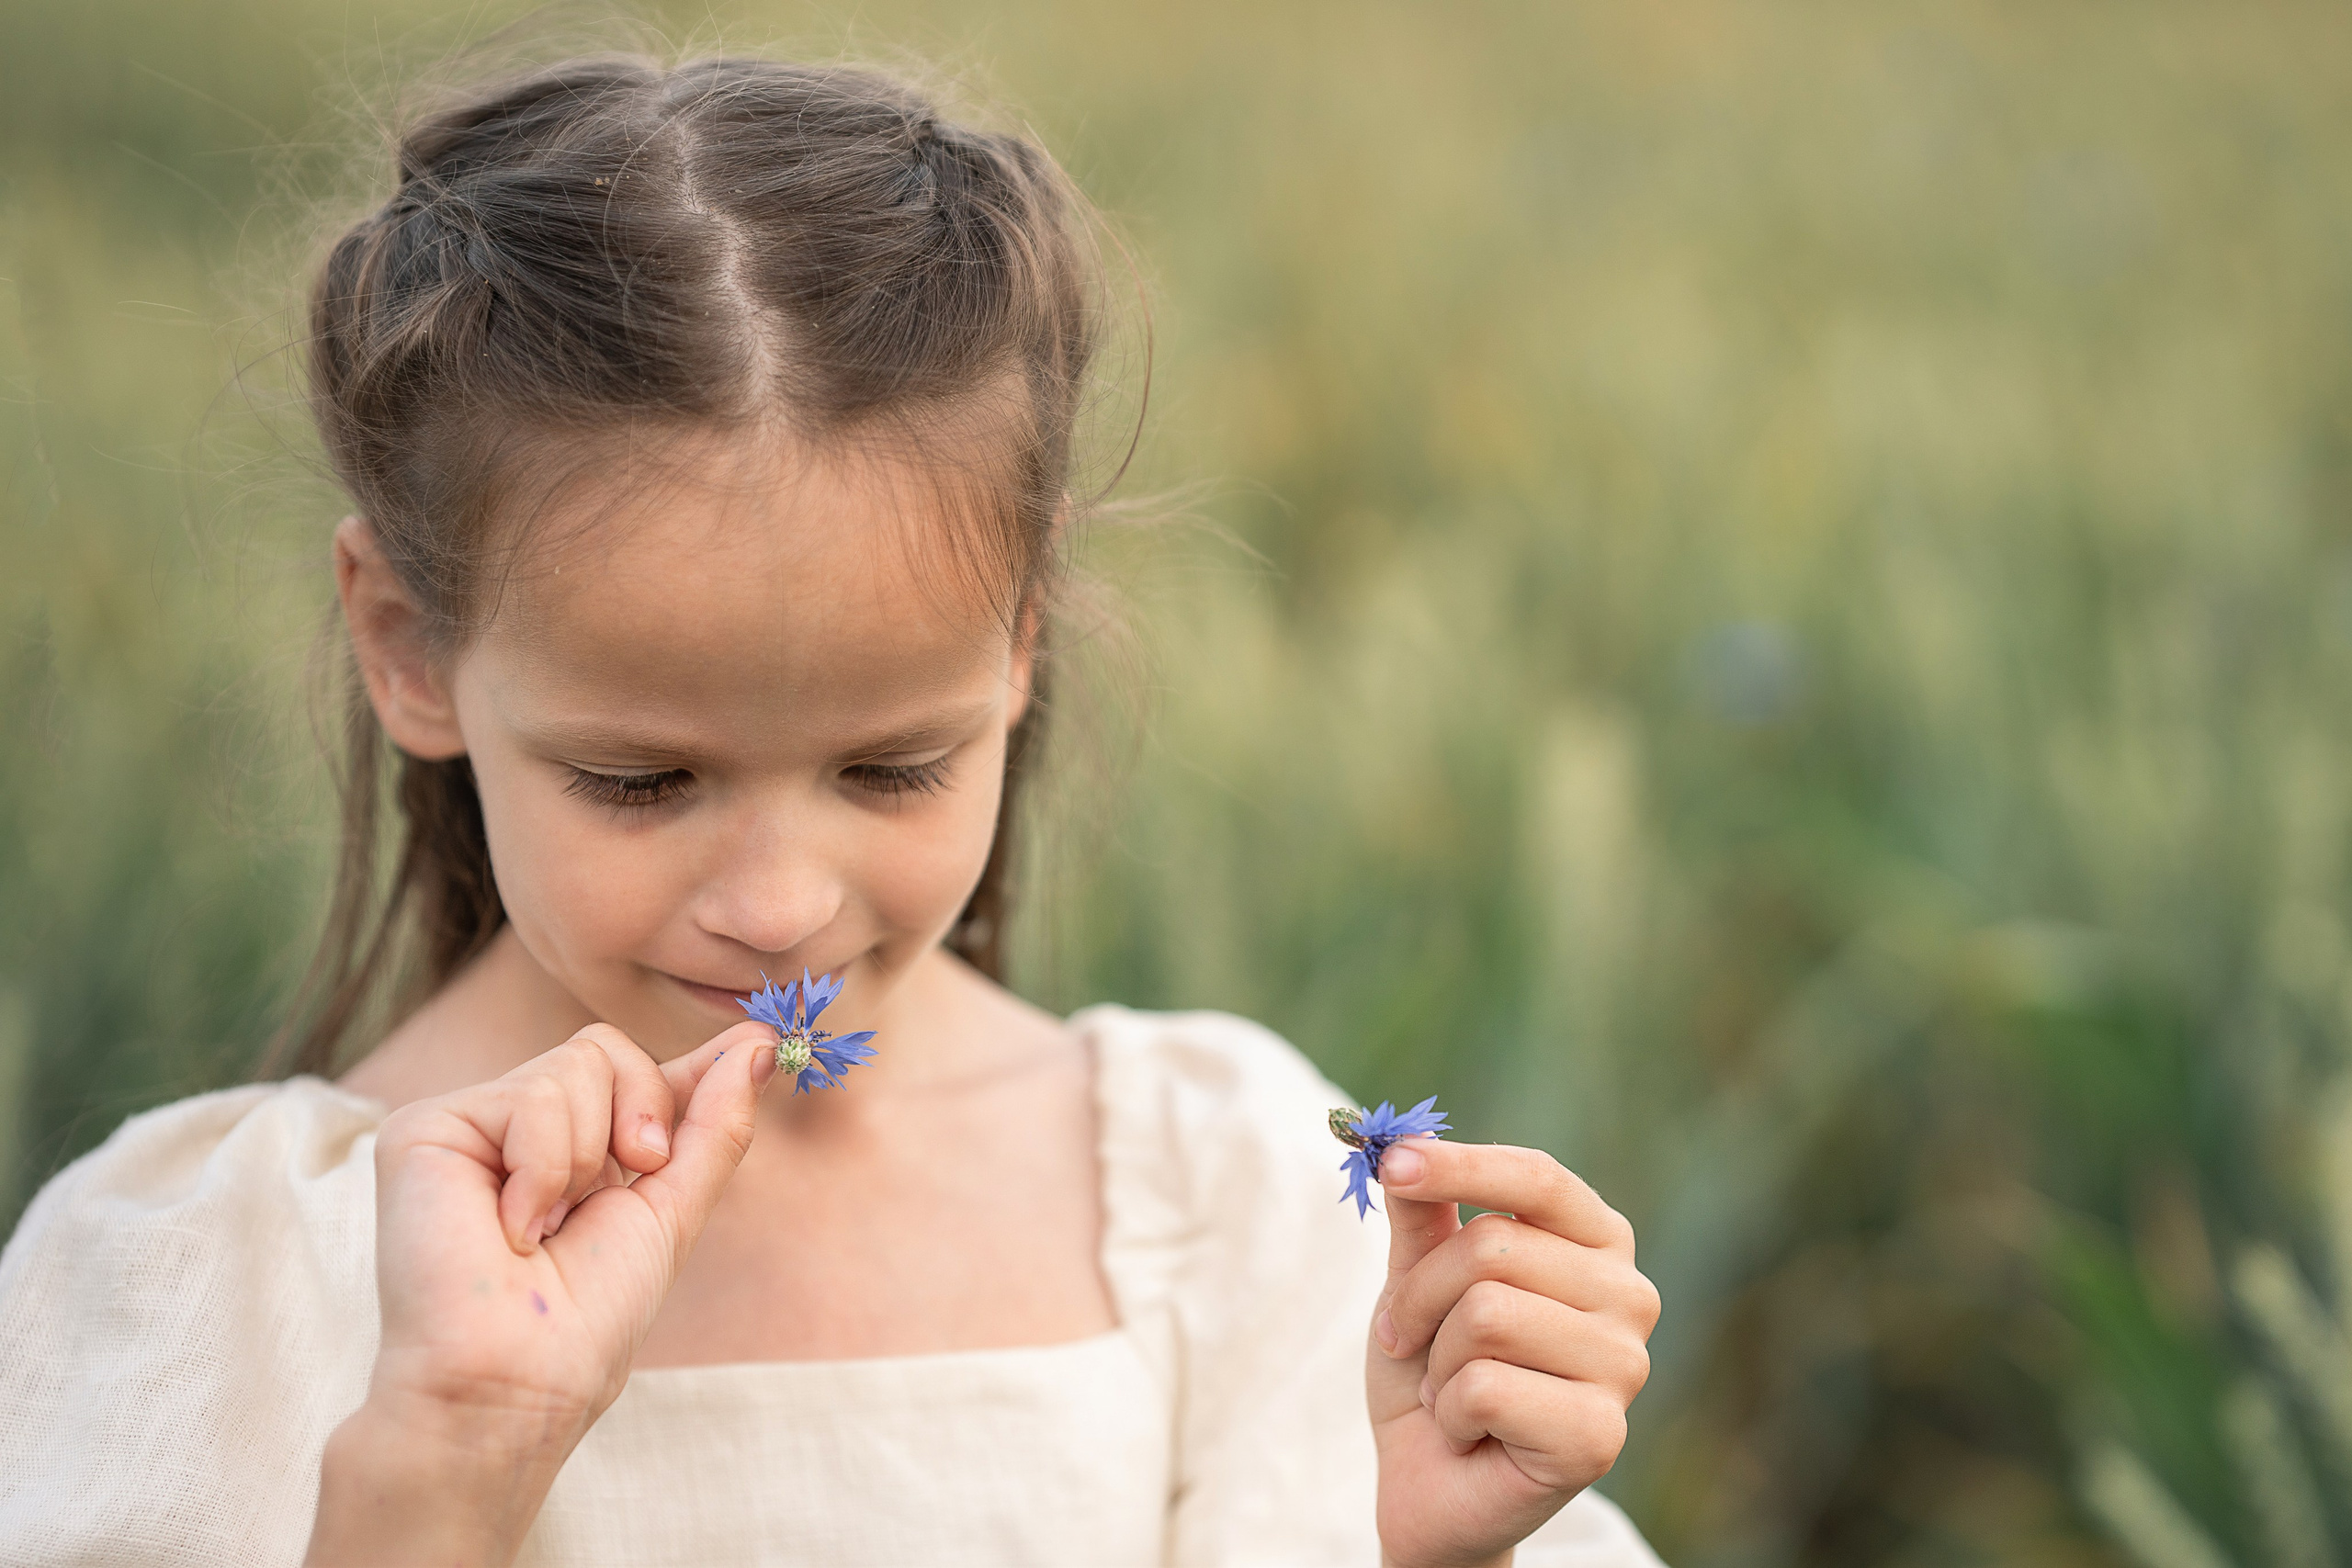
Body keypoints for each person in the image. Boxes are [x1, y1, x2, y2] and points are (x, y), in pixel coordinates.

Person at [0, 52, 1663, 1568]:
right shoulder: (198, 1293)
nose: (781, 906)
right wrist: (443, 1473)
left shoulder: (1227, 1208)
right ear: (408, 649)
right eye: (642, 781)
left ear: (1019, 646)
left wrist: (1440, 1555)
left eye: (890, 767)